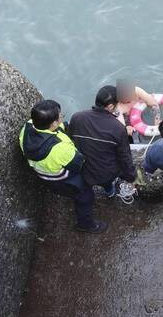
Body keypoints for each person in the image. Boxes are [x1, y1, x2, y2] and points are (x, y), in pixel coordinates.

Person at [19, 99, 107, 233]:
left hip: (43, 172)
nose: (61, 117)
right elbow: (78, 164)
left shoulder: (27, 127)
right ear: (53, 123)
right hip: (61, 179)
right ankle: (86, 224)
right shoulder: (60, 149)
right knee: (85, 195)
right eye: (60, 116)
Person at [68, 85, 137, 204]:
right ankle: (110, 192)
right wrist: (131, 177)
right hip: (106, 174)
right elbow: (125, 157)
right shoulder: (118, 128)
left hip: (83, 170)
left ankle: (93, 192)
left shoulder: (76, 117)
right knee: (107, 183)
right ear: (110, 106)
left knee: (89, 182)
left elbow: (70, 141)